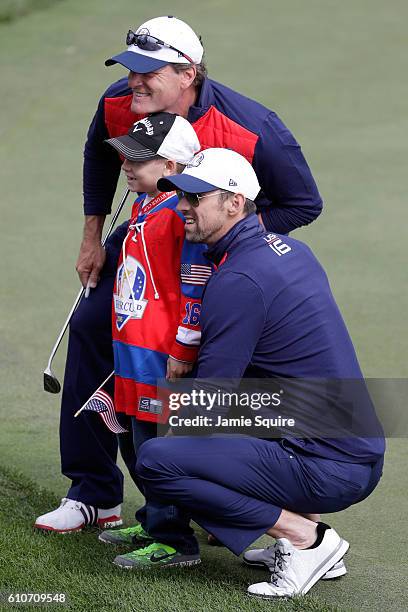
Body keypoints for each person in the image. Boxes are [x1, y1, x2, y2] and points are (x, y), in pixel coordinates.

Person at [36, 15, 323, 532]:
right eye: (130, 69)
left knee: (216, 366)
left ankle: (251, 507)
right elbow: (98, 160)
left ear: (187, 73)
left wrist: (221, 243)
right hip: (144, 241)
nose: (134, 82)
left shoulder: (253, 127)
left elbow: (303, 203)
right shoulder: (119, 103)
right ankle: (94, 493)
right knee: (89, 327)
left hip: (215, 261)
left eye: (148, 72)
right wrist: (93, 237)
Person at [106, 148, 385, 599]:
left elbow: (211, 407)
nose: (182, 207)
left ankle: (303, 538)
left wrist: (141, 402)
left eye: (196, 198)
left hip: (327, 466)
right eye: (181, 196)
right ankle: (307, 536)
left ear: (234, 203)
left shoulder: (238, 279)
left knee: (158, 457)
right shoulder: (292, 250)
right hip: (352, 449)